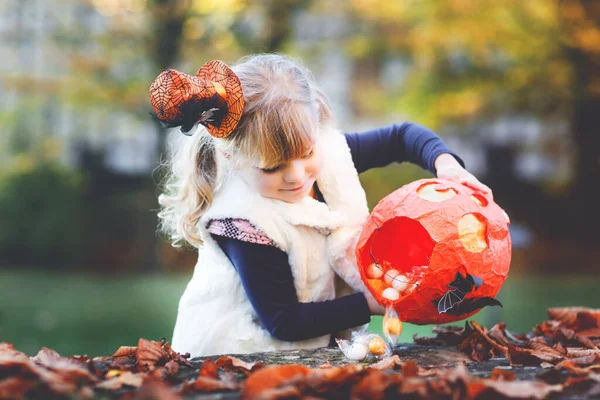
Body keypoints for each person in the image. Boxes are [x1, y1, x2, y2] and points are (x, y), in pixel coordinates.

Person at [150, 54, 491, 358]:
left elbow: (401, 136)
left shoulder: (330, 153)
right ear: (231, 157)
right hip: (237, 353)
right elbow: (283, 322)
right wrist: (372, 303)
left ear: (316, 130)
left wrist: (446, 163)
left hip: (308, 344)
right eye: (272, 167)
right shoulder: (242, 222)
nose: (297, 176)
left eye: (307, 153)